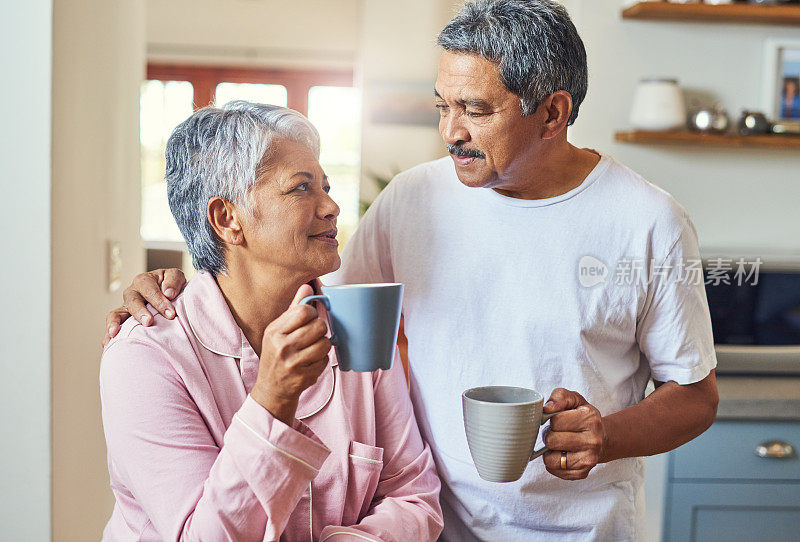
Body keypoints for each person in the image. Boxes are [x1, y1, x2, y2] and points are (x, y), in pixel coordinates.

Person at [106, 1, 719, 540]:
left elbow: (695, 396)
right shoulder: (413, 200)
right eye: (443, 106)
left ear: (553, 113)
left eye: (476, 110)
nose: (451, 132)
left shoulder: (649, 222)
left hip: (585, 532)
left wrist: (604, 437)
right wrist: (179, 289)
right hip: (442, 533)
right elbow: (307, 296)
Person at [100, 101, 443, 541]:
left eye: (326, 186)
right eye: (302, 188)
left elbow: (415, 498)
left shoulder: (358, 326)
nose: (332, 206)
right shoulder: (144, 358)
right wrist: (271, 402)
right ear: (227, 219)